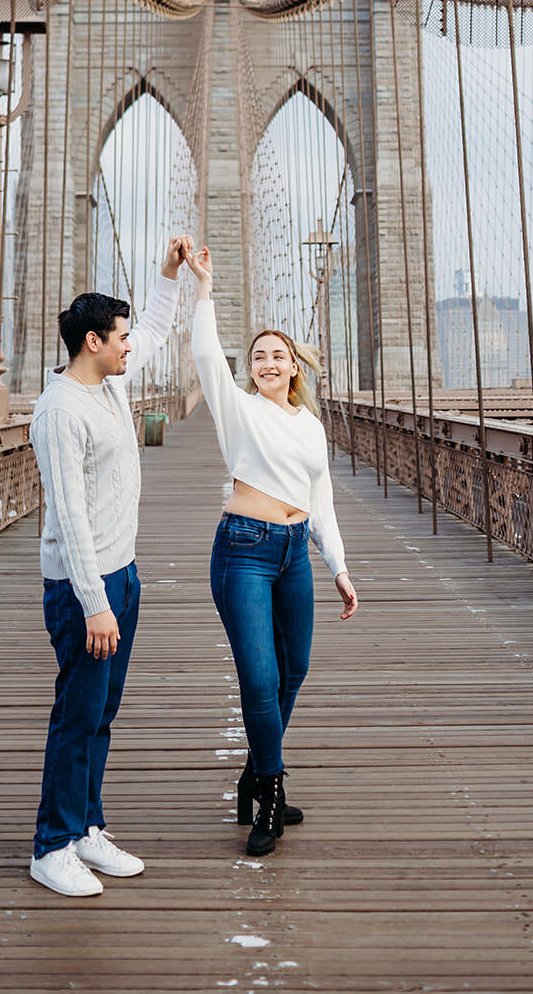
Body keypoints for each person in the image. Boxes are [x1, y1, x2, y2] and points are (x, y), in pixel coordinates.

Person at [28, 236, 192, 898]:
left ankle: (86, 828)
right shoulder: (61, 409)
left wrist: (168, 274)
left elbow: (154, 327)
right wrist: (95, 603)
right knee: (77, 713)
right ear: (93, 342)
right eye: (119, 337)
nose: (131, 345)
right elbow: (68, 519)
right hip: (82, 588)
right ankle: (51, 845)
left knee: (101, 713)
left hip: (121, 576)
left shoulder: (107, 388)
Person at [186, 244, 358, 856]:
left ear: (294, 368)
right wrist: (203, 287)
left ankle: (253, 771)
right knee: (259, 680)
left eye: (276, 355)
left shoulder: (310, 425)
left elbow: (323, 500)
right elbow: (207, 355)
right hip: (243, 551)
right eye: (256, 355)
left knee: (294, 671)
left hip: (294, 554)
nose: (264, 362)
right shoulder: (238, 411)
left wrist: (338, 566)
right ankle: (270, 798)